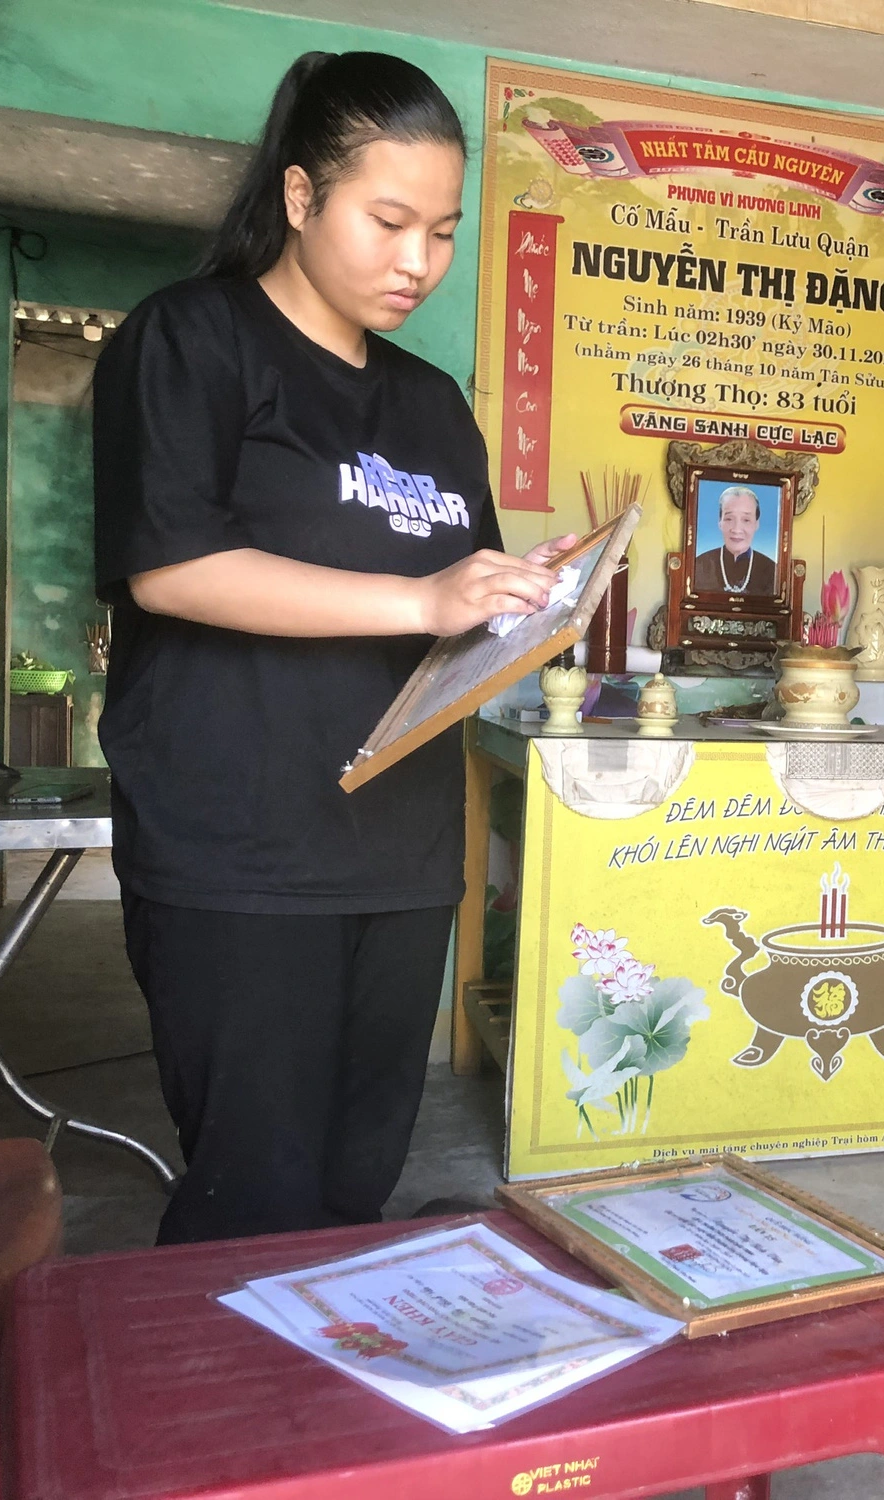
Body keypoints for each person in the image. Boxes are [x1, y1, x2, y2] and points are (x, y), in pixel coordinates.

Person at [92, 51, 575, 1245]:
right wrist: (420, 601)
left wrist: (529, 602)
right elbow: (173, 566)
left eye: (444, 233)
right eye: (389, 220)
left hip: (397, 850)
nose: (418, 262)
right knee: (251, 1195)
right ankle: (227, 1422)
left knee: (353, 1190)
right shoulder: (192, 341)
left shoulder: (428, 405)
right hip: (238, 845)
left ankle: (322, 1421)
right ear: (302, 198)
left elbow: (458, 604)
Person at [690, 483, 778, 595]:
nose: (736, 529)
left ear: (756, 524)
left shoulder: (773, 572)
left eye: (746, 520)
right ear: (720, 522)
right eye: (729, 519)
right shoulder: (698, 566)